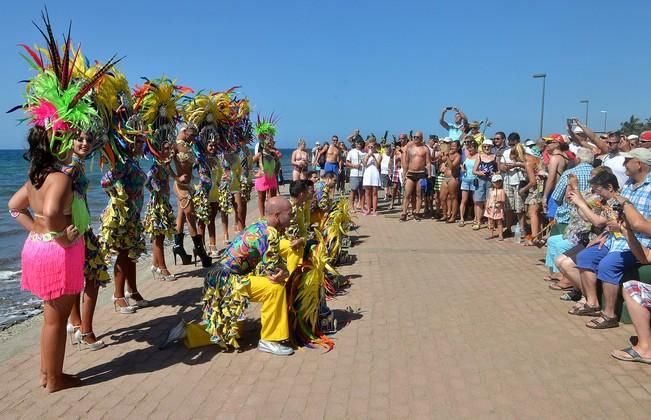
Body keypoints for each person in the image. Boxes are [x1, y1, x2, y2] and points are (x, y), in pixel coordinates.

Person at [201, 196, 294, 355]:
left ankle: (188, 332)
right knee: (274, 288)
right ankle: (269, 340)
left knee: (224, 327)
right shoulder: (269, 233)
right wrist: (285, 273)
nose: (292, 217)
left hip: (218, 277)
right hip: (227, 281)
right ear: (277, 216)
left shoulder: (260, 224)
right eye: (289, 214)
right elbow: (273, 273)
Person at [573, 148, 651, 329]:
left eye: (627, 161)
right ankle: (592, 303)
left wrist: (625, 229)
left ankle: (609, 315)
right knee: (586, 256)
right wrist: (607, 233)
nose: (623, 164)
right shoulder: (629, 185)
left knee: (608, 264)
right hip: (617, 237)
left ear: (639, 164)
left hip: (640, 242)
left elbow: (642, 225)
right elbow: (616, 214)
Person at [63, 132, 110, 351]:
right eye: (79, 139)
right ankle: (86, 330)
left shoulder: (76, 164)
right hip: (75, 232)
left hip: (79, 230)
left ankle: (75, 322)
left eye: (88, 140)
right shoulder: (70, 168)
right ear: (68, 141)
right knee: (94, 275)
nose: (85, 143)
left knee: (78, 278)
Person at [100, 132, 148, 312]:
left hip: (133, 216)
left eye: (142, 142)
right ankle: (118, 296)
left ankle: (133, 291)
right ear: (128, 144)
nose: (141, 145)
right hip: (123, 216)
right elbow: (105, 182)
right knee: (123, 253)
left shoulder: (133, 161)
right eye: (138, 142)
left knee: (131, 254)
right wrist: (116, 194)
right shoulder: (124, 163)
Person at [143, 137, 176, 280]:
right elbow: (147, 181)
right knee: (159, 237)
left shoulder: (164, 164)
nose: (169, 151)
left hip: (164, 203)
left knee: (160, 236)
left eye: (170, 148)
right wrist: (157, 190)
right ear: (158, 150)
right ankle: (163, 268)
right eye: (166, 148)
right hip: (157, 205)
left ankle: (155, 265)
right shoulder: (155, 166)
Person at [172, 124, 200, 265]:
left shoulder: (188, 145)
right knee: (190, 215)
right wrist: (176, 178)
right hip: (181, 186)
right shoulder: (175, 145)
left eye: (195, 136)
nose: (194, 138)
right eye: (192, 135)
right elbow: (163, 163)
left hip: (189, 186)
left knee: (181, 216)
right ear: (184, 131)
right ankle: (199, 249)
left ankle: (179, 248)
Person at [500, 132, 527, 235]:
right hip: (508, 180)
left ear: (518, 142)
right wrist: (505, 167)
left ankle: (522, 228)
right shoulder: (506, 152)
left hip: (520, 180)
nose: (512, 146)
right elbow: (501, 166)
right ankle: (508, 228)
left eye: (513, 144)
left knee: (520, 207)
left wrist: (517, 164)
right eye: (510, 144)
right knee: (508, 206)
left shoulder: (525, 150)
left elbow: (531, 164)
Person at [400, 131, 431, 221]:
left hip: (421, 174)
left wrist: (429, 174)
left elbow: (428, 162)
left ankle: (417, 213)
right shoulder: (409, 148)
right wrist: (404, 175)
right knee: (407, 194)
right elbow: (406, 163)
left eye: (417, 137)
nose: (415, 139)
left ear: (421, 138)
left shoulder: (425, 149)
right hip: (410, 173)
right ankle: (404, 213)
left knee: (419, 195)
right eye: (414, 137)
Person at [253, 116, 281, 216]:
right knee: (261, 198)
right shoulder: (260, 154)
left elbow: (278, 164)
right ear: (263, 144)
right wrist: (254, 174)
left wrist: (276, 173)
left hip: (271, 177)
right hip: (262, 178)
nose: (270, 144)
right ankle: (262, 216)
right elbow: (248, 164)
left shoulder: (274, 155)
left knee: (272, 199)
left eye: (271, 142)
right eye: (268, 143)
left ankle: (271, 215)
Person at [472, 139, 498, 230]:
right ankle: (478, 222)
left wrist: (494, 174)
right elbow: (474, 170)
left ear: (491, 147)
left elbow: (497, 170)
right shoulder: (479, 156)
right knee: (479, 202)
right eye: (485, 146)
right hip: (480, 180)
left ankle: (490, 222)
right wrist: (480, 173)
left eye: (488, 146)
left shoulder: (494, 157)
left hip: (490, 181)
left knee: (489, 202)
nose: (487, 148)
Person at [438, 141, 461, 222]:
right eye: (451, 146)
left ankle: (453, 217)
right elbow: (440, 161)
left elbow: (452, 167)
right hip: (445, 178)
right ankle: (445, 215)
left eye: (454, 146)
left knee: (453, 197)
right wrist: (442, 154)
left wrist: (447, 157)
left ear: (458, 148)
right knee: (442, 197)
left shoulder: (458, 156)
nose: (452, 147)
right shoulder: (449, 154)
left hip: (453, 178)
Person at [458, 140, 477, 227]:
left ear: (475, 147)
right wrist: (462, 168)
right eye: (468, 147)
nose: (470, 149)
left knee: (475, 201)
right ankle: (462, 219)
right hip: (465, 180)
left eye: (472, 147)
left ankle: (476, 218)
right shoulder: (466, 156)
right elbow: (462, 164)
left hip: (474, 180)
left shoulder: (478, 156)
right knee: (463, 200)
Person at [345, 139, 366, 211]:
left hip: (363, 174)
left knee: (363, 191)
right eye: (358, 143)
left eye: (361, 143)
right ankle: (352, 207)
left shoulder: (364, 152)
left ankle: (362, 207)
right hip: (354, 174)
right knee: (353, 191)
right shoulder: (351, 152)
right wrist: (354, 166)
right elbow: (347, 163)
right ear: (356, 143)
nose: (359, 144)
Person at [362, 142, 382, 215]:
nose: (370, 148)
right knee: (367, 193)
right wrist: (367, 156)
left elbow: (377, 166)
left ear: (375, 147)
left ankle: (374, 210)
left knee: (374, 193)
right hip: (367, 174)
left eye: (372, 147)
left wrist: (373, 156)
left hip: (375, 174)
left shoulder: (379, 155)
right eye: (369, 147)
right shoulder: (366, 155)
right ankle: (368, 210)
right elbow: (364, 164)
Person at [484, 174, 506, 240]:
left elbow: (503, 200)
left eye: (499, 182)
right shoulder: (490, 190)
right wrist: (487, 206)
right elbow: (488, 198)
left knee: (499, 222)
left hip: (498, 209)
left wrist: (499, 202)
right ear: (492, 182)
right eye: (496, 182)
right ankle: (491, 234)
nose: (497, 183)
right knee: (490, 222)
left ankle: (500, 235)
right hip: (491, 208)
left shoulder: (502, 190)